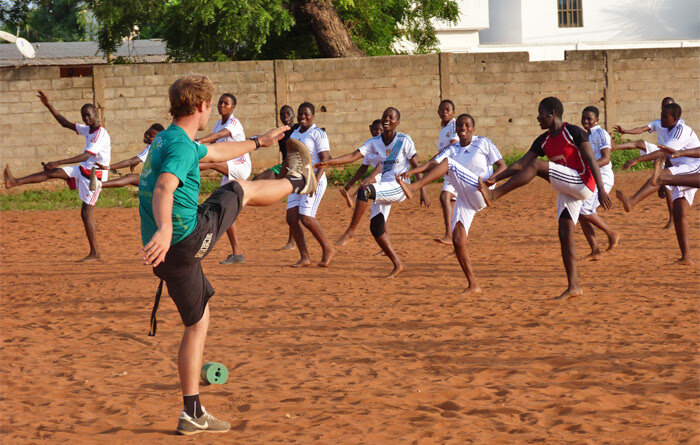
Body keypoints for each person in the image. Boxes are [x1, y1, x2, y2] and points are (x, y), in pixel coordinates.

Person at [139, 74, 314, 436]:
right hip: (184, 240)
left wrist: (257, 142)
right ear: (202, 106)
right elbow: (163, 187)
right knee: (239, 190)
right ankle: (299, 180)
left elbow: (215, 152)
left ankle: (192, 413)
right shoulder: (182, 146)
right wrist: (167, 228)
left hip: (167, 258)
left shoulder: (168, 139)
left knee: (197, 323)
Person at [477, 97, 611, 300]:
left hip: (584, 182)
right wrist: (495, 177)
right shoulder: (543, 140)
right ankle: (574, 286)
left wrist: (601, 189)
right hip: (569, 188)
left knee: (538, 166)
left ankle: (495, 195)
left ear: (553, 114)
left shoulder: (573, 132)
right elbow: (521, 164)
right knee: (565, 233)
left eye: (541, 114)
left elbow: (591, 159)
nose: (538, 118)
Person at [397, 113, 506, 293]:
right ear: (455, 130)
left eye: (467, 126)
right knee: (457, 239)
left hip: (481, 191)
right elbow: (434, 162)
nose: (463, 128)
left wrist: (494, 179)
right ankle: (473, 284)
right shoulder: (453, 149)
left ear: (473, 129)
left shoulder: (483, 142)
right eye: (460, 126)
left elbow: (502, 165)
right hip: (465, 196)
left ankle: (414, 188)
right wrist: (413, 171)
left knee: (450, 164)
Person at [315, 107, 430, 278]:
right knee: (376, 228)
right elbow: (354, 156)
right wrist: (329, 162)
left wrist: (423, 190)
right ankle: (398, 264)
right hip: (385, 184)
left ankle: (351, 231)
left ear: (397, 123)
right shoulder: (375, 141)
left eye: (391, 118)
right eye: (385, 116)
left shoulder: (404, 140)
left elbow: (415, 164)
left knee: (365, 190)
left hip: (400, 185)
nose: (387, 119)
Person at [4, 90, 111, 261]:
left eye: (89, 115)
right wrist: (48, 105)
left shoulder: (100, 134)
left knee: (86, 214)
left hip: (94, 177)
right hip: (83, 170)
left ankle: (95, 253)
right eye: (84, 116)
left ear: (95, 114)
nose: (86, 119)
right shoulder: (88, 129)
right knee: (51, 173)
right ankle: (14, 182)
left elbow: (86, 155)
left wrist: (60, 161)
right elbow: (65, 123)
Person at [615, 103, 699, 265]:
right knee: (680, 212)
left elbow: (664, 152)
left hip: (693, 166)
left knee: (663, 176)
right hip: (681, 166)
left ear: (675, 118)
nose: (661, 118)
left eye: (665, 116)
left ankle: (632, 201)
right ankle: (686, 257)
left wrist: (637, 159)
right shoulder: (667, 130)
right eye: (661, 114)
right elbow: (667, 156)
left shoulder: (681, 130)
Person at [197, 93, 249, 264]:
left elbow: (218, 136)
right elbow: (213, 145)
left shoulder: (233, 123)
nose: (222, 105)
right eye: (220, 102)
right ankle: (237, 253)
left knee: (211, 164)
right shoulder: (218, 123)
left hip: (240, 168)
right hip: (229, 170)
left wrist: (198, 142)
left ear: (233, 107)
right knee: (226, 211)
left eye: (226, 103)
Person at [612, 97, 679, 228]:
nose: (665, 111)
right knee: (641, 143)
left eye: (669, 108)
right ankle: (614, 147)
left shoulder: (679, 127)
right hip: (662, 151)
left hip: (675, 157)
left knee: (666, 185)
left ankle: (672, 219)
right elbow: (641, 129)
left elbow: (670, 151)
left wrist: (636, 160)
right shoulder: (659, 122)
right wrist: (625, 131)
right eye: (664, 108)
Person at [285, 102, 335, 267]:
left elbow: (325, 159)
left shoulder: (318, 134)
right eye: (300, 114)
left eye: (306, 114)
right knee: (292, 218)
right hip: (297, 180)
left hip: (314, 179)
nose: (303, 117)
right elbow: (289, 159)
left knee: (306, 218)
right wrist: (279, 180)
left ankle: (327, 247)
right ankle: (305, 257)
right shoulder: (294, 134)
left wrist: (315, 181)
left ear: (313, 116)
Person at [254, 105, 299, 250]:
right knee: (257, 179)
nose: (285, 116)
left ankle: (292, 241)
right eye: (282, 114)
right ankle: (269, 197)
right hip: (284, 165)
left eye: (288, 113)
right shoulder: (281, 132)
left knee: (294, 208)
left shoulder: (299, 129)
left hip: (297, 168)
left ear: (293, 115)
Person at [578, 106, 619, 260]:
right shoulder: (584, 135)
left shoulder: (600, 133)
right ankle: (595, 250)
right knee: (581, 214)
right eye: (584, 118)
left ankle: (611, 233)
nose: (586, 121)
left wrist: (587, 166)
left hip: (603, 177)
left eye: (589, 118)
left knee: (585, 209)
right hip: (590, 177)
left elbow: (606, 158)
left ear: (597, 120)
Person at [334, 119, 383, 246]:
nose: (378, 132)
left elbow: (383, 163)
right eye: (375, 129)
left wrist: (372, 176)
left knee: (365, 188)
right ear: (370, 129)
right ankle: (384, 248)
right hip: (380, 177)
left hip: (389, 176)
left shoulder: (385, 144)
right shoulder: (371, 145)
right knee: (380, 216)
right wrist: (349, 184)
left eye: (381, 130)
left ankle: (353, 198)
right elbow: (362, 167)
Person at [100, 124, 164, 188]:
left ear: (158, 139)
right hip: (157, 179)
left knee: (131, 178)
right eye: (147, 132)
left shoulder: (153, 147)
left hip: (159, 182)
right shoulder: (156, 145)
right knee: (130, 176)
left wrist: (108, 167)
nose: (147, 136)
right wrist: (138, 161)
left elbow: (130, 161)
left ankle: (99, 185)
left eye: (151, 136)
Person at [435, 99, 460, 245]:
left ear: (453, 112)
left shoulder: (455, 125)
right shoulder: (444, 128)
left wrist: (434, 161)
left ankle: (449, 235)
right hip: (448, 169)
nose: (444, 112)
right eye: (442, 110)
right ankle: (455, 239)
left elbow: (453, 146)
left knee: (445, 196)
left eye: (447, 109)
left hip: (455, 166)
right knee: (451, 202)